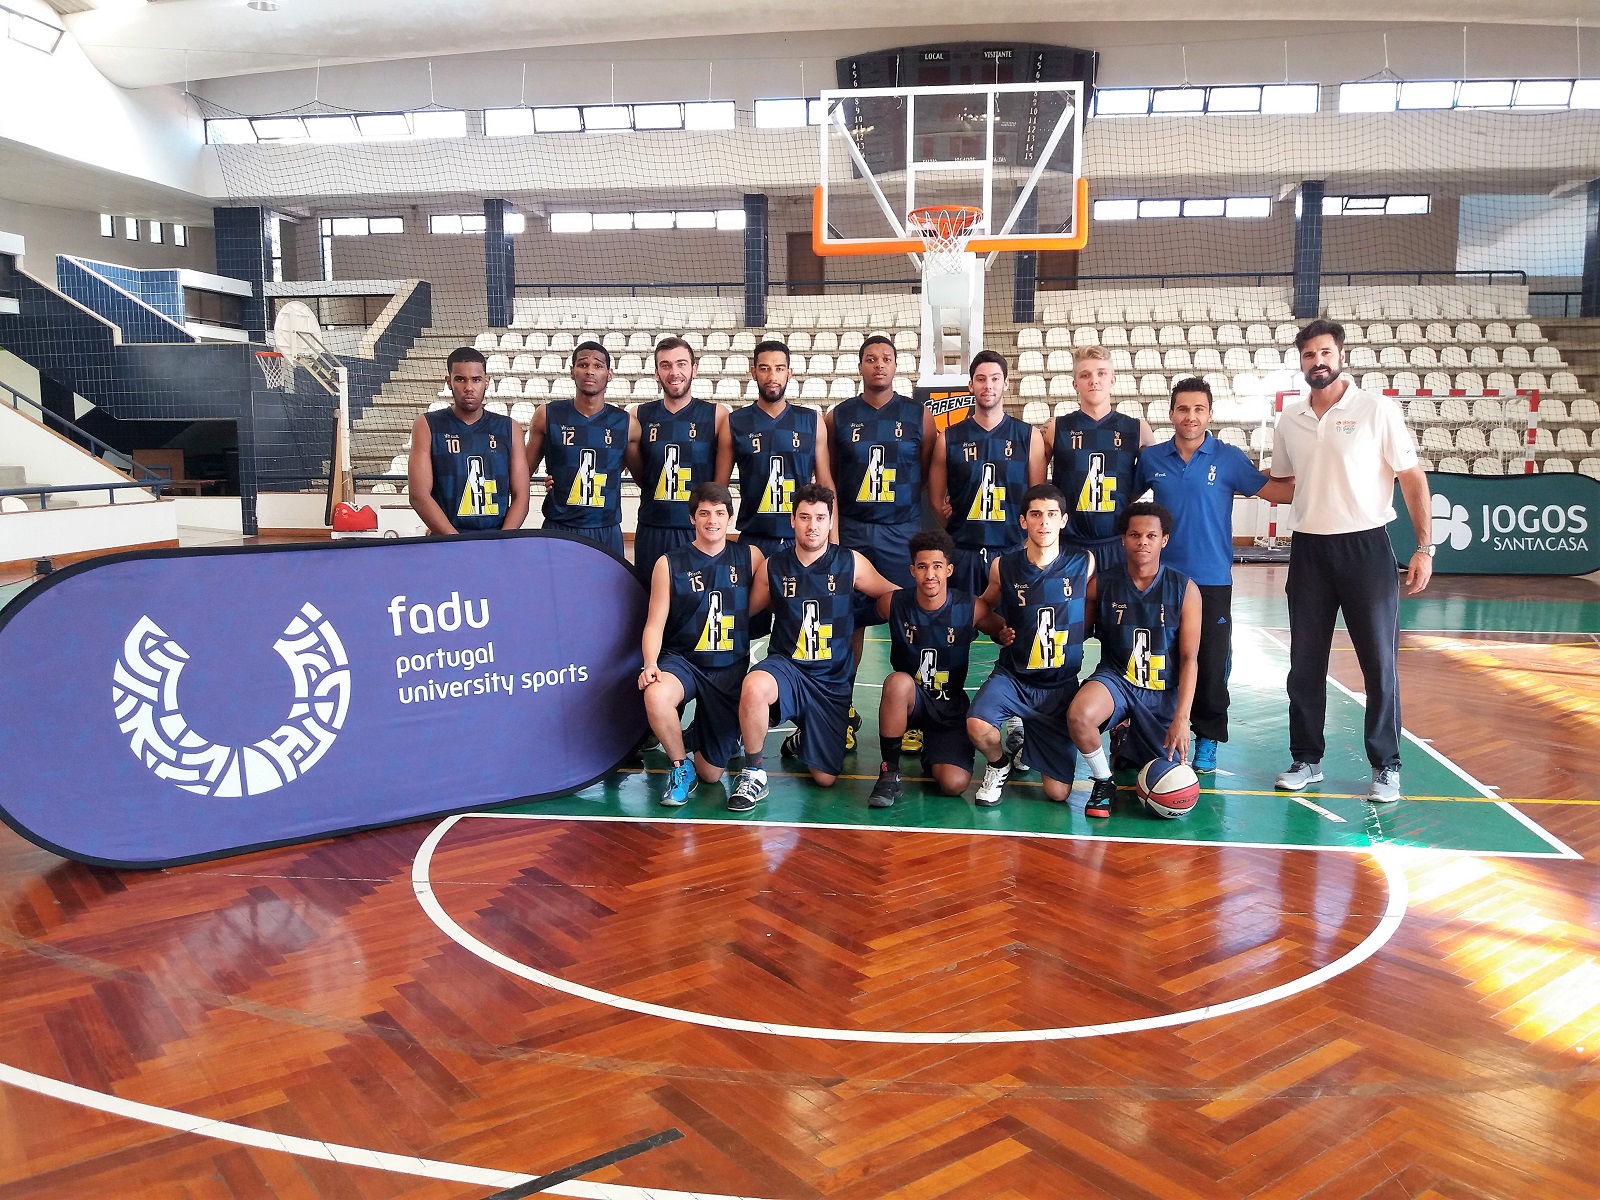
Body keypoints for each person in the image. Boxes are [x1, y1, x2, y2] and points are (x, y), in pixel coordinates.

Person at [1269, 318, 1433, 804]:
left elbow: (1412, 478)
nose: (1316, 362)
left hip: (1366, 549)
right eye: (1307, 355)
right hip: (1310, 551)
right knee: (1304, 664)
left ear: (1341, 355)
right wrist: (1220, 476)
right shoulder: (1289, 419)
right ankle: (1307, 759)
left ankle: (1387, 765)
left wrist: (1423, 547)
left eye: (1324, 353)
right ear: (1300, 362)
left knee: (1379, 663)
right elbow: (1282, 484)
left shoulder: (1376, 409)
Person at [1132, 377, 1293, 772]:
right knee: (1160, 659)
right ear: (1171, 414)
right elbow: (1124, 501)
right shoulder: (1151, 459)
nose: (1190, 416)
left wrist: (1322, 468)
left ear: (1209, 414)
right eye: (1183, 409)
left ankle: (1208, 738)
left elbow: (1277, 492)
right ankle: (1158, 728)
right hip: (1163, 579)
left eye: (1198, 409)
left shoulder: (1229, 458)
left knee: (1210, 660)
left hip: (1212, 580)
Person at [727, 484, 897, 811]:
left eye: (820, 517)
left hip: (830, 681)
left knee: (825, 778)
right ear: (792, 520)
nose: (812, 525)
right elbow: (743, 615)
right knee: (754, 686)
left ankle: (804, 738)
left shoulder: (851, 563)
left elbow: (893, 595)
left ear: (831, 521)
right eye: (804, 517)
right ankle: (753, 772)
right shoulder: (774, 567)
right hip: (787, 668)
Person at [825, 335, 935, 748]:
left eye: (886, 359)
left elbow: (922, 470)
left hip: (900, 532)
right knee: (847, 621)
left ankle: (912, 712)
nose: (879, 365)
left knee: (910, 620)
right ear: (860, 367)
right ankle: (843, 708)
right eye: (870, 359)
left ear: (895, 365)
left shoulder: (918, 415)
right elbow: (832, 473)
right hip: (854, 530)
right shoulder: (839, 416)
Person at [1067, 501, 1200, 819]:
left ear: (1163, 540)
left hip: (1161, 689)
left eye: (1151, 536)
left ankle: (1127, 736)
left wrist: (1182, 719)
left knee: (1169, 777)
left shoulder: (1185, 590)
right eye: (1135, 535)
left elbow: (1189, 658)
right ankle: (1103, 781)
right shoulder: (1102, 585)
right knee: (1079, 716)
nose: (1143, 542)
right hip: (1117, 680)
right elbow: (1076, 634)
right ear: (1123, 539)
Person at [638, 483, 767, 807]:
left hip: (728, 669)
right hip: (684, 662)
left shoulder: (749, 557)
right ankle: (681, 768)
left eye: (720, 513)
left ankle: (707, 735)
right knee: (656, 695)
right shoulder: (669, 563)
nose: (712, 520)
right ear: (692, 518)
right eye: (705, 513)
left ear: (730, 518)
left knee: (713, 772)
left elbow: (758, 603)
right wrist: (651, 664)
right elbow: (654, 623)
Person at [966, 483, 1094, 807]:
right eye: (1036, 515)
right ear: (1023, 521)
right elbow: (984, 607)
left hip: (1059, 687)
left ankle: (1026, 740)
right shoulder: (1003, 566)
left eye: (1052, 514)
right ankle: (998, 764)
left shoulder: (1084, 563)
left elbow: (1097, 608)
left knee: (1057, 794)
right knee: (977, 724)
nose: (1044, 522)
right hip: (1015, 678)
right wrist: (997, 630)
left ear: (1063, 520)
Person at [868, 529, 994, 808]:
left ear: (949, 569)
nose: (930, 575)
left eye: (937, 566)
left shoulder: (971, 607)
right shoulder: (893, 603)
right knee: (897, 682)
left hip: (949, 708)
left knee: (954, 784)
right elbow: (852, 618)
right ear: (912, 570)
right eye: (922, 567)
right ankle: (889, 772)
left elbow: (1004, 633)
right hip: (912, 701)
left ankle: (934, 751)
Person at [728, 340, 834, 639]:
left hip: (801, 539)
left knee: (803, 625)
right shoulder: (736, 422)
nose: (772, 375)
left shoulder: (811, 420)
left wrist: (833, 541)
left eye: (779, 368)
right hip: (754, 539)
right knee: (744, 625)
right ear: (753, 373)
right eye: (764, 368)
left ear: (790, 373)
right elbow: (719, 487)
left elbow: (825, 484)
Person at [927, 350, 1047, 596]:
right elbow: (936, 501)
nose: (988, 385)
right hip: (963, 553)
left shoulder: (1029, 436)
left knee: (1012, 632)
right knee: (959, 630)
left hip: (1012, 551)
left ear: (1005, 383)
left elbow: (1038, 499)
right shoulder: (948, 438)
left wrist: (1025, 542)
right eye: (981, 379)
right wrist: (958, 528)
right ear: (971, 385)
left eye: (994, 378)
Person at [1045, 345, 1156, 574]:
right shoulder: (1057, 428)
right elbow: (1030, 480)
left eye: (1101, 373)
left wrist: (1124, 495)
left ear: (1112, 380)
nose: (1094, 380)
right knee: (1073, 611)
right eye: (1085, 375)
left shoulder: (1137, 429)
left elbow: (1153, 477)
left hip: (1116, 544)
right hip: (1069, 545)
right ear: (1075, 384)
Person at [630, 337, 733, 581]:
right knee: (648, 602)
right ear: (656, 373)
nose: (674, 372)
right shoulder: (638, 415)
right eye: (665, 365)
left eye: (681, 364)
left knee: (696, 609)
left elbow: (721, 484)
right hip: (652, 528)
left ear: (694, 369)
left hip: (697, 531)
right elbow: (618, 465)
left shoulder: (717, 415)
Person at [523, 341, 639, 555]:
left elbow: (623, 470)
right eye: (583, 365)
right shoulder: (547, 415)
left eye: (598, 366)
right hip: (559, 526)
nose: (590, 371)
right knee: (557, 589)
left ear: (609, 374)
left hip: (605, 529)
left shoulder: (626, 424)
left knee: (608, 590)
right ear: (572, 372)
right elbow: (523, 472)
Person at [407, 347, 529, 534]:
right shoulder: (428, 425)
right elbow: (418, 495)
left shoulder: (510, 428)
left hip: (497, 538)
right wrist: (454, 540)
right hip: (448, 540)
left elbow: (521, 496)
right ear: (449, 382)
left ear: (487, 382)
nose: (469, 387)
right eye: (460, 379)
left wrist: (505, 540)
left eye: (476, 379)